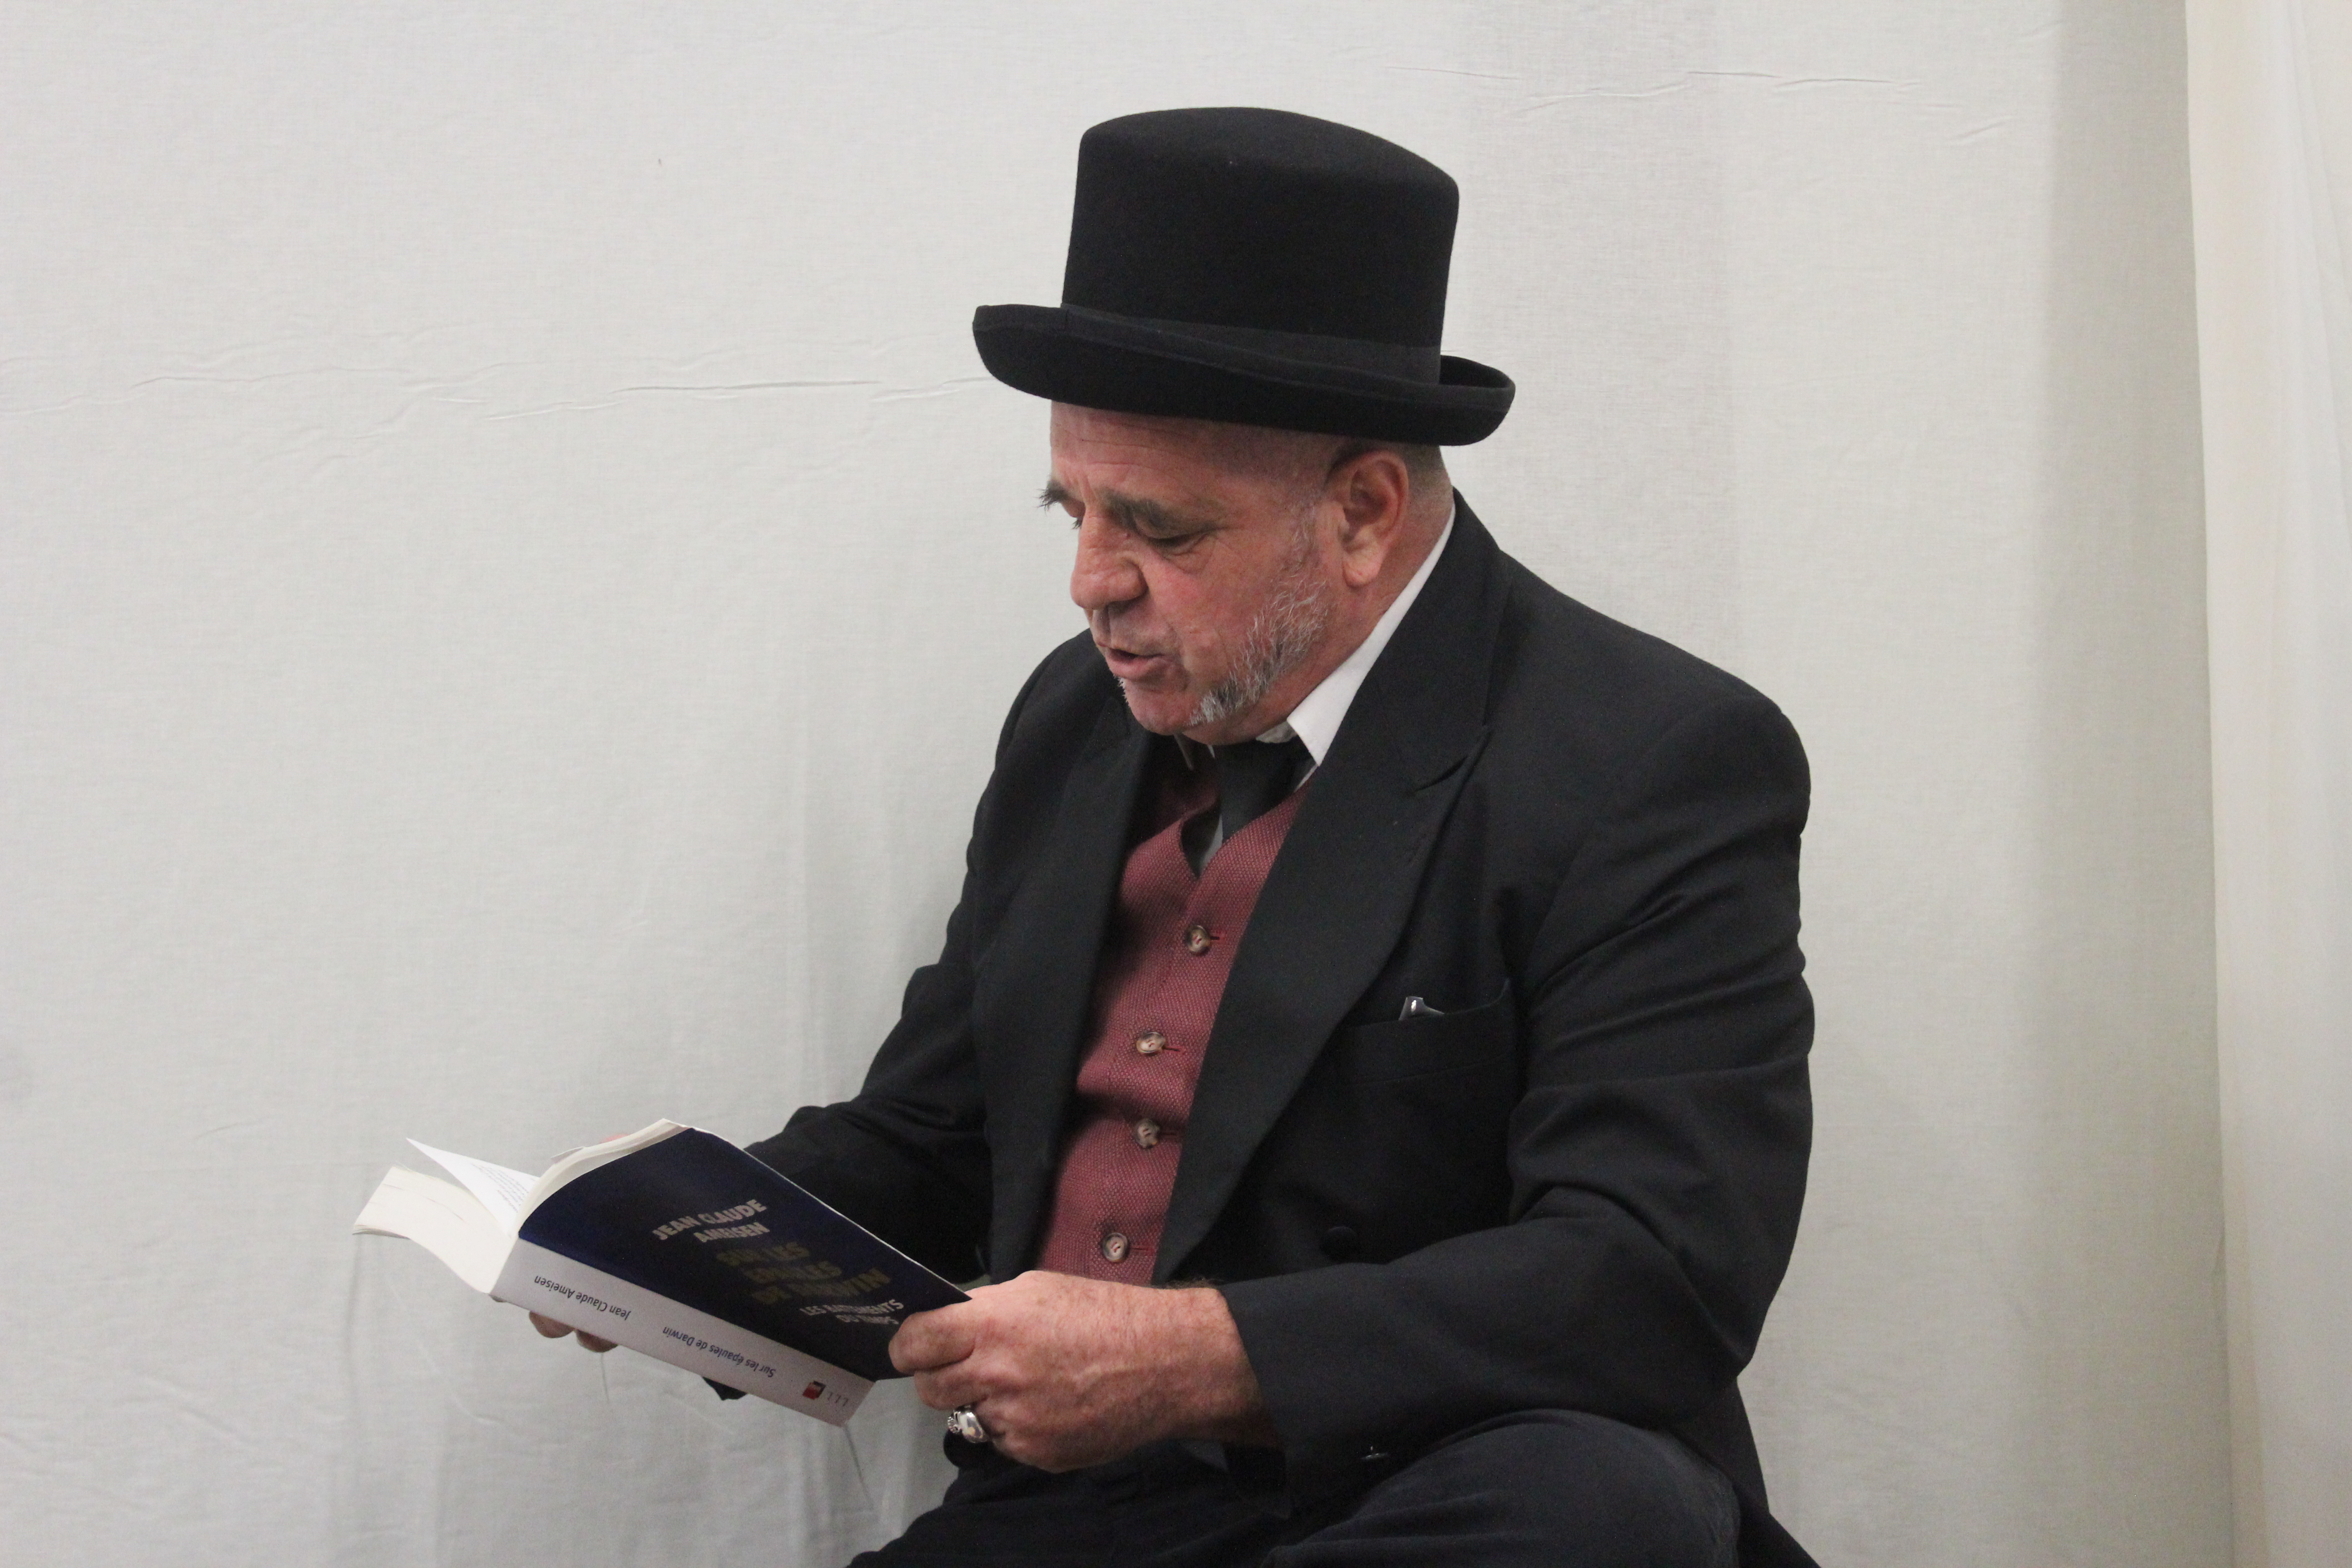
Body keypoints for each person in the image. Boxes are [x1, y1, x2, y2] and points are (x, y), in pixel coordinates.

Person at [534, 107, 1817, 1568]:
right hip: (1071, 1519)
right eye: (1073, 512)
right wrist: (683, 1237)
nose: (1092, 582)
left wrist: (1194, 1358)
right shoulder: (1072, 720)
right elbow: (938, 1138)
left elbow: (1652, 1278)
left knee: (1600, 1514)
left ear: (1363, 512)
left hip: (1423, 1489)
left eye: (1160, 530)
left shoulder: (1653, 759)